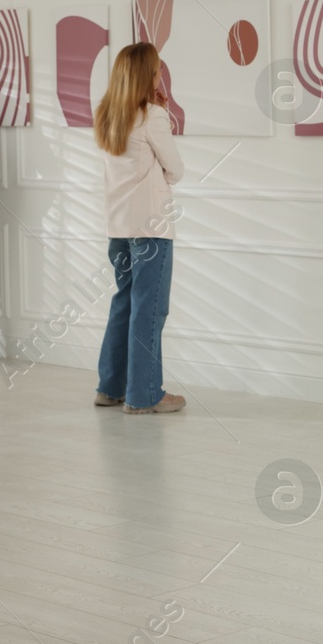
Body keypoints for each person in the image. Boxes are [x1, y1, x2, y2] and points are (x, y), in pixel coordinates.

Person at [93, 42, 186, 414]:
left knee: (124, 303)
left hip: (118, 225)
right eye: (156, 70)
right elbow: (176, 171)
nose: (159, 76)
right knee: (149, 310)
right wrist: (163, 112)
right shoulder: (152, 116)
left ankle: (110, 387)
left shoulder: (106, 113)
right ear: (148, 74)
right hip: (151, 227)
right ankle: (145, 394)